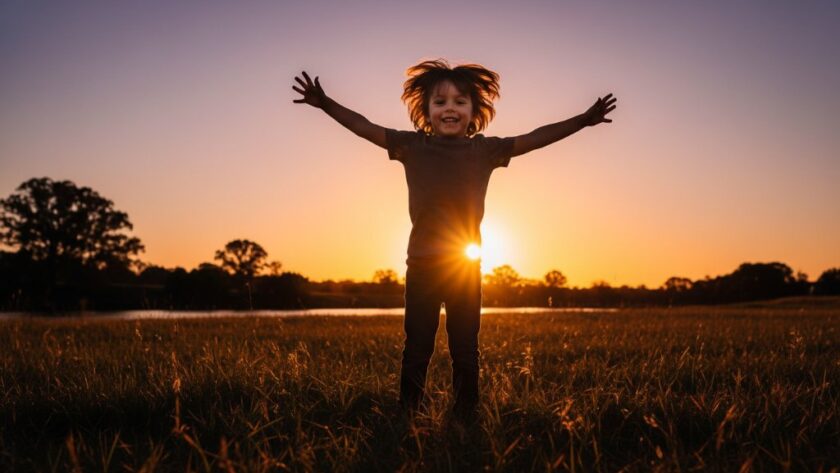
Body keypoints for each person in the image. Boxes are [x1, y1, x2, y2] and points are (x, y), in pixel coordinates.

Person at [292, 59, 617, 422]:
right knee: (417, 347)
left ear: (474, 112)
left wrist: (582, 120)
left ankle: (465, 415)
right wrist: (326, 104)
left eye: (460, 102)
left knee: (465, 349)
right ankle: (409, 412)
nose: (450, 108)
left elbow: (536, 137)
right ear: (426, 111)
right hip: (422, 267)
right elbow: (364, 127)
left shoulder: (485, 150)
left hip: (465, 267)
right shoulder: (411, 146)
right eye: (440, 101)